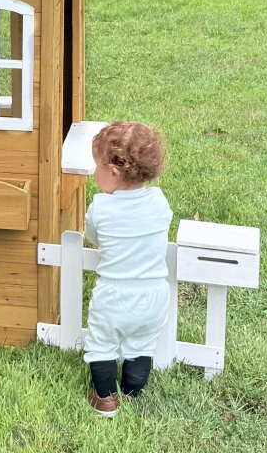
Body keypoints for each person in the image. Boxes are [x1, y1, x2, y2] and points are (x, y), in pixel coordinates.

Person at [82, 121, 173, 417]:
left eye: (97, 166)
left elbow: (93, 237)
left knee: (102, 344)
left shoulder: (100, 207)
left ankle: (106, 399)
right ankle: (133, 393)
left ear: (113, 173)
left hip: (115, 294)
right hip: (155, 294)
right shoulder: (159, 202)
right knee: (141, 344)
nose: (95, 173)